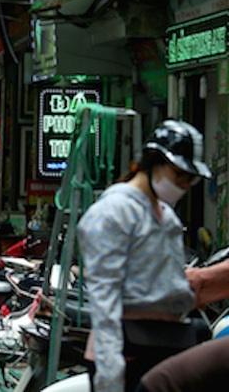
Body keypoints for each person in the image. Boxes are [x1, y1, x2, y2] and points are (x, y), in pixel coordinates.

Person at [77, 120, 213, 392]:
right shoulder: (113, 213)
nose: (184, 185)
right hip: (127, 349)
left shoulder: (167, 216)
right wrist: (110, 368)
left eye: (190, 179)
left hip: (167, 344)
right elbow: (105, 298)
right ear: (154, 161)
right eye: (179, 175)